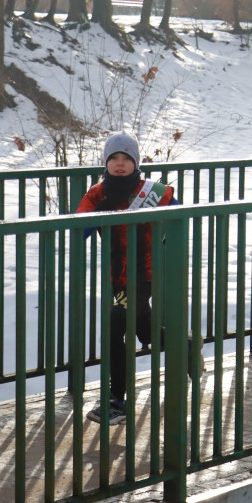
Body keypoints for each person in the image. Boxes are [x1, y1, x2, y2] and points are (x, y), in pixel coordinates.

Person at [77, 132, 181, 424]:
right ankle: (182, 346)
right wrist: (92, 217)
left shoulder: (154, 191)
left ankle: (117, 400)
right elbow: (78, 230)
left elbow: (181, 218)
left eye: (126, 158)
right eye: (114, 158)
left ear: (135, 163)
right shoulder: (97, 194)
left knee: (114, 323)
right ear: (106, 163)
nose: (120, 164)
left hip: (146, 273)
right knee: (144, 331)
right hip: (118, 275)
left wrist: (165, 250)